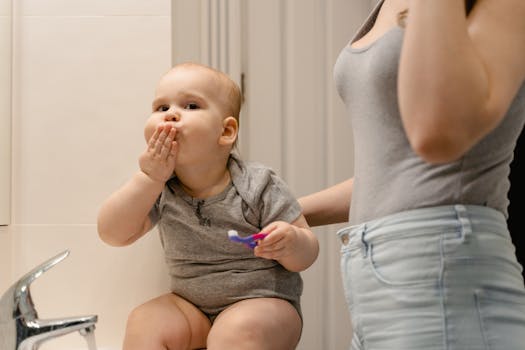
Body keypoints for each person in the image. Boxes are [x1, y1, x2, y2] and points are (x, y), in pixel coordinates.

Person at [299, 0, 525, 349]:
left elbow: (437, 132)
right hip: (374, 278)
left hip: (442, 269)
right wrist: (288, 211)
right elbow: (394, 173)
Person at [97, 62, 319, 350]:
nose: (171, 114)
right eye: (161, 108)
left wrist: (291, 242)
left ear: (226, 131)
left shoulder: (257, 184)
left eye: (190, 105)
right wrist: (148, 178)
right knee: (144, 322)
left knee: (237, 331)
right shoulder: (161, 186)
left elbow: (308, 252)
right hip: (191, 306)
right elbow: (113, 233)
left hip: (262, 302)